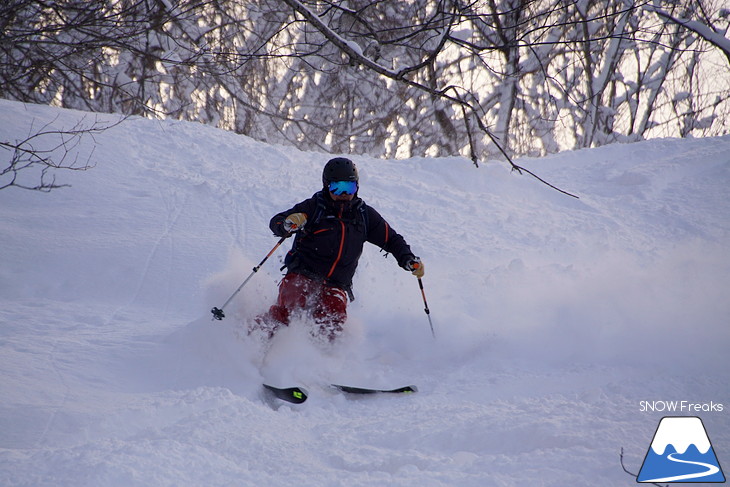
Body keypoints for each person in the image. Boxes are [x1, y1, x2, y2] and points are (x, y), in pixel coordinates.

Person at [251, 157, 424, 341]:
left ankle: (320, 359)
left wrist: (407, 258)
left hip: (336, 284)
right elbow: (277, 222)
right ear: (327, 186)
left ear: (357, 187)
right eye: (337, 188)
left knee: (333, 319)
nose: (344, 194)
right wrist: (288, 223)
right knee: (292, 303)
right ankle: (256, 339)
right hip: (303, 273)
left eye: (349, 188)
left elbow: (391, 239)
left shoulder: (364, 215)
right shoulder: (314, 207)